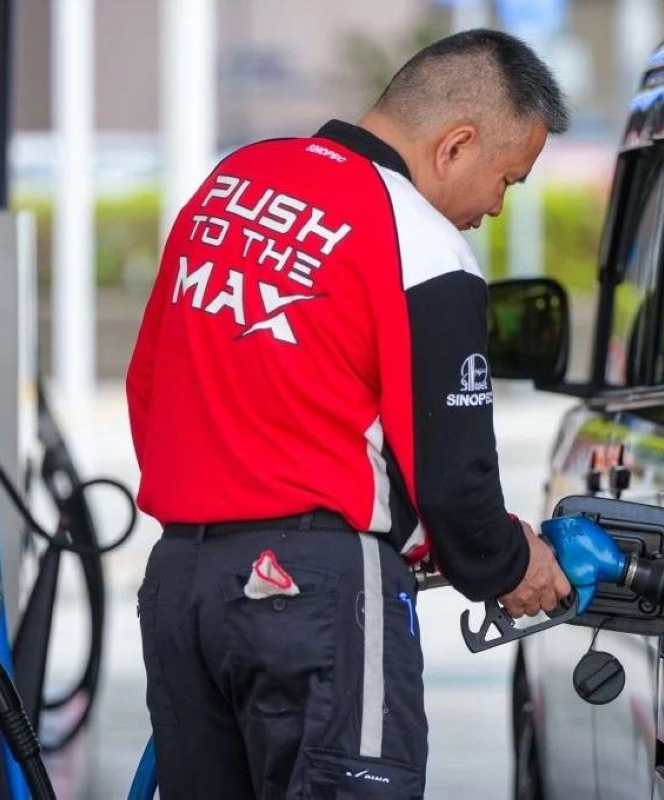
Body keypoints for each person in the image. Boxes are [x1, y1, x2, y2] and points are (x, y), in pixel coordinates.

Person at [126, 28, 571, 799]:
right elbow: (454, 477)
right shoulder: (422, 243)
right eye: (507, 179)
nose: (495, 208)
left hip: (181, 586)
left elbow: (148, 384)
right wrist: (508, 564)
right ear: (456, 145)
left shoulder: (233, 183)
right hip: (315, 595)